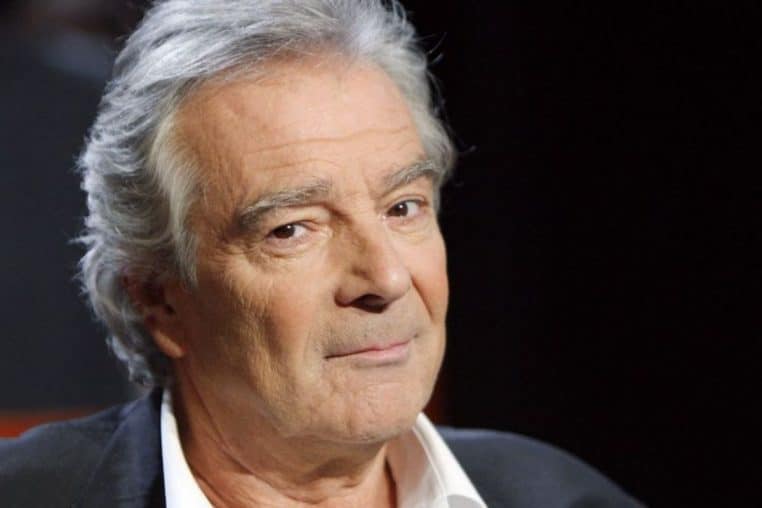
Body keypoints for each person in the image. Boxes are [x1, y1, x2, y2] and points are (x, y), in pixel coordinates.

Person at [0, 1, 644, 506]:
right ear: (160, 299)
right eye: (292, 229)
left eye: (403, 208)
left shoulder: (566, 497)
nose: (386, 277)